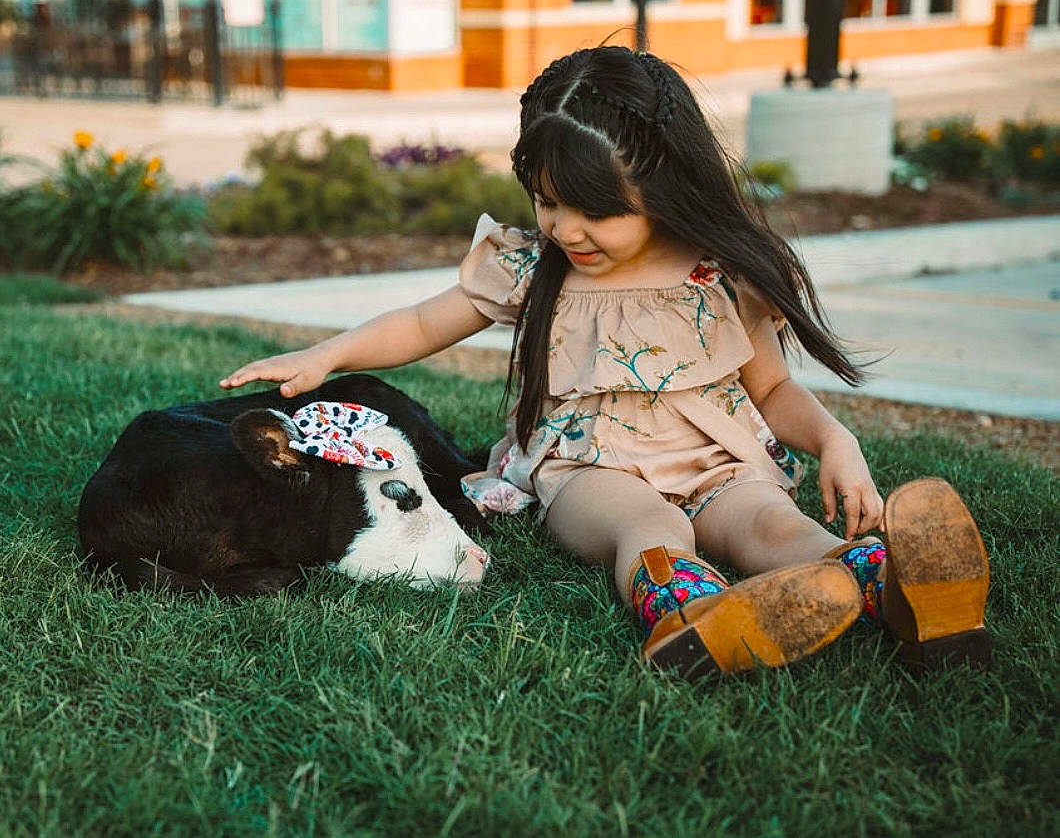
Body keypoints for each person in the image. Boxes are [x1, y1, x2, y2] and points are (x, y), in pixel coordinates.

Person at [220, 46, 990, 677]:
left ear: (663, 185)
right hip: (590, 471)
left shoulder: (719, 273)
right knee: (647, 521)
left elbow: (774, 387)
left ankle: (883, 585)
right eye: (547, 200)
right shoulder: (530, 266)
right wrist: (330, 352)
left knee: (765, 520)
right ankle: (693, 618)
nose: (565, 228)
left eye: (596, 208)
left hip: (717, 460)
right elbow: (425, 322)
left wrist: (834, 441)